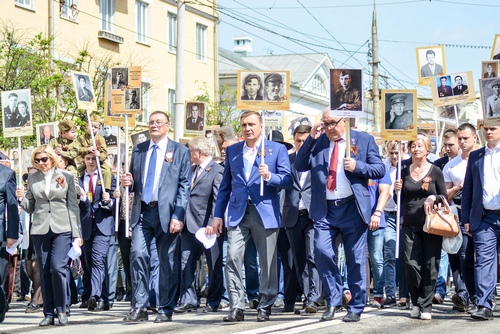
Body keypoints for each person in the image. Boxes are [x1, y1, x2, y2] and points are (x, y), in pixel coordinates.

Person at [295, 108, 385, 322]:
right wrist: (310, 139)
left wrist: (358, 166)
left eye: (332, 123)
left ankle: (355, 306)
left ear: (343, 121)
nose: (329, 128)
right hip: (325, 210)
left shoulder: (363, 140)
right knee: (321, 252)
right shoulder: (319, 141)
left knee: (354, 259)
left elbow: (379, 169)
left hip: (352, 208)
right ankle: (334, 300)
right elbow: (299, 165)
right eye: (325, 124)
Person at [211, 111, 292, 323]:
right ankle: (237, 305)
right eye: (244, 125)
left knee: (267, 262)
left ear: (260, 126)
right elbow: (225, 186)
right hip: (239, 212)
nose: (248, 128)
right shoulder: (233, 151)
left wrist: (271, 176)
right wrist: (218, 215)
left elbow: (287, 180)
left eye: (252, 124)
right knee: (233, 258)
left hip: (265, 211)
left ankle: (265, 304)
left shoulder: (276, 149)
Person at [121, 111, 191, 323]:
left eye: (158, 122)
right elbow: (136, 181)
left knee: (166, 261)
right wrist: (128, 182)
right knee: (138, 255)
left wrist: (178, 214)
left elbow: (184, 185)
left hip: (168, 214)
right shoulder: (140, 149)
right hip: (143, 212)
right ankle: (140, 306)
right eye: (151, 122)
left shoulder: (179, 151)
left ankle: (165, 307)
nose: (154, 125)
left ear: (167, 126)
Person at [16, 145, 82, 326]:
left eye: (44, 159)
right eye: (37, 160)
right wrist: (22, 198)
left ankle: (62, 308)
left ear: (52, 158)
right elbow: (30, 207)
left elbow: (73, 206)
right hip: (40, 228)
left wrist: (77, 234)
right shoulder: (33, 178)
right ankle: (48, 312)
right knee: (43, 270)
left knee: (57, 268)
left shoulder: (66, 176)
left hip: (62, 228)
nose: (41, 163)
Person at [394, 134, 447, 321]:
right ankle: (415, 300)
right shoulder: (403, 170)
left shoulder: (435, 171)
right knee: (410, 263)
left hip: (431, 224)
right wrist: (397, 190)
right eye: (413, 146)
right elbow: (398, 201)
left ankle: (425, 305)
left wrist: (434, 198)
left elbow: (444, 196)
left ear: (427, 149)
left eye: (420, 146)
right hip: (409, 223)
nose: (416, 149)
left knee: (430, 264)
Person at [175, 136, 224, 313]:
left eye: (190, 151)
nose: (189, 154)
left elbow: (219, 198)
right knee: (186, 263)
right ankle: (189, 300)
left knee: (213, 264)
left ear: (199, 152)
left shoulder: (217, 170)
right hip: (189, 226)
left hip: (208, 228)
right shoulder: (191, 170)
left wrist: (213, 221)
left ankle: (213, 301)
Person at [461, 125, 500, 321]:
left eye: (493, 128)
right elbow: (468, 190)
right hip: (485, 218)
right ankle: (484, 304)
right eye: (486, 129)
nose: (488, 132)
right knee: (483, 261)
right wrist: (466, 219)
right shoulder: (476, 156)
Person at [282, 125, 322, 315]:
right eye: (298, 141)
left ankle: (314, 297)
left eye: (305, 141)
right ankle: (307, 297)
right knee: (299, 260)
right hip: (292, 215)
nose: (301, 144)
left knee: (313, 256)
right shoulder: (287, 160)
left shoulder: (317, 160)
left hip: (313, 215)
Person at [442, 123, 478, 313]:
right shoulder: (451, 165)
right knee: (460, 255)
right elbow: (444, 194)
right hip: (458, 215)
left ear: (474, 138)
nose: (463, 142)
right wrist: (457, 188)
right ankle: (464, 295)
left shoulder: (481, 158)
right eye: (460, 139)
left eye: (466, 138)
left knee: (480, 257)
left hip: (482, 214)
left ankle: (478, 295)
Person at [78, 152, 116, 312]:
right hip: (86, 224)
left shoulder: (107, 177)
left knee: (98, 259)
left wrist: (109, 200)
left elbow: (115, 200)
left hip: (103, 223)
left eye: (94, 159)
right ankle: (104, 297)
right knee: (89, 262)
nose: (91, 161)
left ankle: (95, 295)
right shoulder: (79, 180)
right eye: (88, 158)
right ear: (84, 161)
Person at [0, 162, 20, 323]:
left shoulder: (7, 174)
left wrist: (12, 234)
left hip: (0, 235)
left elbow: (12, 205)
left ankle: (1, 306)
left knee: (0, 275)